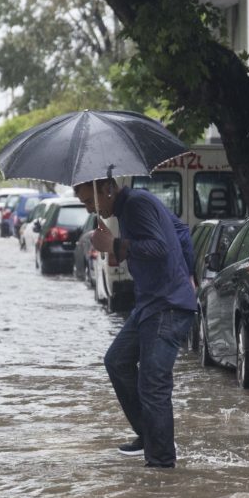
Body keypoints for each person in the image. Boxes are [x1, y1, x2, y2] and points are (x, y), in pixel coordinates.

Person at [78, 177, 196, 469]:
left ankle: (161, 465)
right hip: (149, 304)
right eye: (84, 203)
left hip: (166, 306)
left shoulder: (137, 204)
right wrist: (118, 250)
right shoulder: (130, 207)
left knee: (153, 381)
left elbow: (159, 248)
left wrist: (117, 244)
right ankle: (150, 435)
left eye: (89, 200)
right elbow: (179, 231)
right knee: (117, 361)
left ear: (106, 188)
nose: (89, 207)